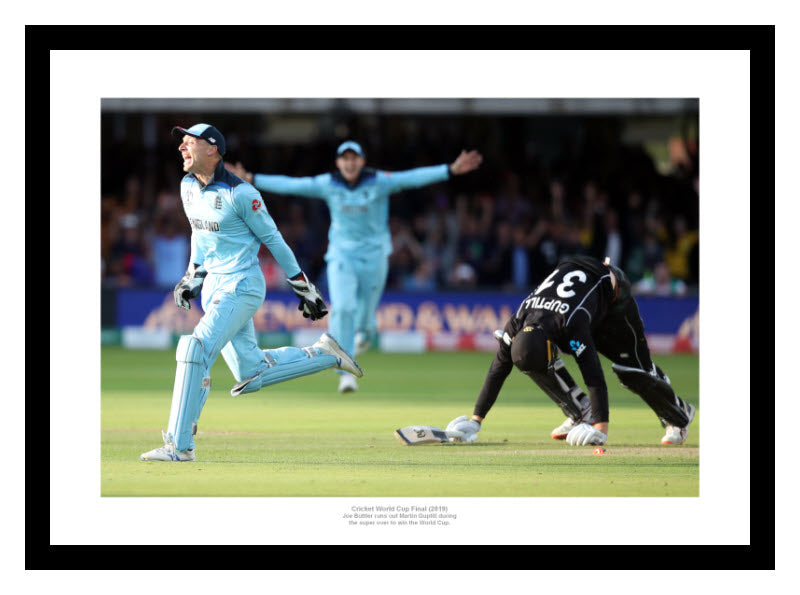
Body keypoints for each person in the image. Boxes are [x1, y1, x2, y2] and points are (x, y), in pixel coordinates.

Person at [140, 124, 363, 462]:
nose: (182, 148)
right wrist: (192, 276)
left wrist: (304, 288)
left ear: (212, 148)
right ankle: (327, 353)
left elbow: (274, 241)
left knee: (195, 347)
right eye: (181, 143)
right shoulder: (187, 187)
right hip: (213, 286)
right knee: (250, 371)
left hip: (242, 286)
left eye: (190, 143)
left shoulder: (241, 194)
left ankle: (179, 446)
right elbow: (199, 234)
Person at [226, 141, 483, 393]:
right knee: (344, 308)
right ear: (339, 162)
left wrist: (449, 170)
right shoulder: (329, 184)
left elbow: (412, 178)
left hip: (375, 257)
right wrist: (252, 177)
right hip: (342, 256)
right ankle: (343, 373)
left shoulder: (379, 181)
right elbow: (295, 184)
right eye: (345, 159)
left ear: (362, 161)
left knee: (365, 321)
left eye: (354, 158)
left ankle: (367, 329)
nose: (349, 163)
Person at [446, 255, 696, 447]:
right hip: (581, 301)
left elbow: (593, 374)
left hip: (612, 296)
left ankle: (678, 414)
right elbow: (497, 369)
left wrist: (601, 430)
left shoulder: (571, 325)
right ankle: (581, 413)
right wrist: (475, 421)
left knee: (633, 372)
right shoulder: (518, 321)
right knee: (528, 361)